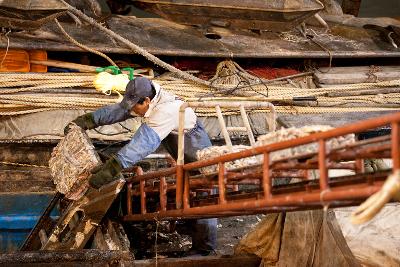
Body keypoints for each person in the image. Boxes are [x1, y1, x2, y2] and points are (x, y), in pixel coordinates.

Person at [65, 77, 217, 255]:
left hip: (199, 154)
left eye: (134, 106)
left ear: (147, 101)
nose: (132, 111)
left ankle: (205, 249)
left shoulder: (166, 110)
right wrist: (87, 120)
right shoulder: (147, 100)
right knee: (190, 191)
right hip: (182, 152)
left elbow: (141, 145)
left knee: (206, 194)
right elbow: (119, 111)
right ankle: (192, 227)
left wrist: (111, 169)